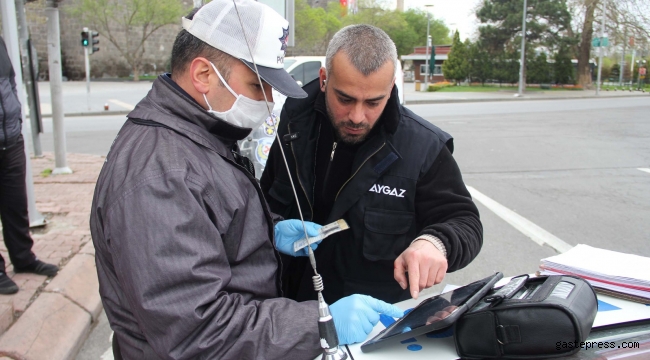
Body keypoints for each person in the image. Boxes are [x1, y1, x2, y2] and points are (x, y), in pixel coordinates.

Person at [89, 1, 403, 359]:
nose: (269, 101)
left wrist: (268, 231)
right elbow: (197, 332)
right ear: (204, 74)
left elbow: (207, 224)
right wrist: (318, 323)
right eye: (257, 85)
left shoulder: (199, 135)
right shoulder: (160, 176)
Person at [260, 24, 483, 305]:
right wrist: (273, 226)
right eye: (345, 99)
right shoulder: (294, 123)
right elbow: (262, 199)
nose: (357, 116)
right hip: (283, 312)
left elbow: (464, 221)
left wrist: (435, 243)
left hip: (369, 330)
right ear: (324, 78)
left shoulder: (424, 147)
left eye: (373, 102)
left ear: (390, 89)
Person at [0, 36, 59, 295]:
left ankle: (23, 258)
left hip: (11, 139)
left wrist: (16, 124)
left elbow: (10, 82)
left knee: (16, 204)